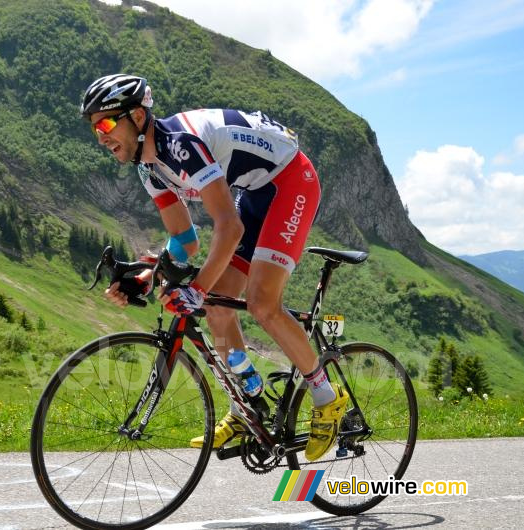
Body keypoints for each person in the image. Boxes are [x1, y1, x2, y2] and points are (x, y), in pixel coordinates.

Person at [80, 74, 348, 461]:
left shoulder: (180, 146)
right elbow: (184, 239)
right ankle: (245, 407)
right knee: (220, 306)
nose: (101, 137)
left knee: (261, 303)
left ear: (138, 117)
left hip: (291, 182)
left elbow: (229, 226)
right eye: (95, 129)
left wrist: (196, 289)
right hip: (255, 192)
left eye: (106, 124)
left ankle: (326, 396)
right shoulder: (148, 167)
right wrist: (147, 275)